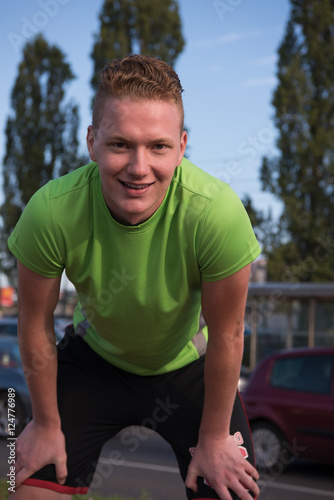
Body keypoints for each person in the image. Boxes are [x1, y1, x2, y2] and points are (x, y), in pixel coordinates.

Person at [8, 54, 261, 500]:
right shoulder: (50, 211)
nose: (139, 167)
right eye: (121, 144)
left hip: (190, 368)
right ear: (92, 141)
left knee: (232, 492)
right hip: (94, 363)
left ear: (182, 146)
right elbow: (34, 326)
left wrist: (216, 439)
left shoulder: (216, 213)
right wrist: (46, 424)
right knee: (25, 486)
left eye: (158, 147)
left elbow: (227, 335)